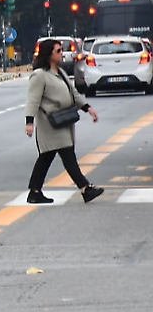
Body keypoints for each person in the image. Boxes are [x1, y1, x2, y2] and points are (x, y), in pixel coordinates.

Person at [24, 39, 102, 204]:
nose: (62, 53)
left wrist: (88, 108)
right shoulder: (39, 75)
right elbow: (32, 100)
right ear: (48, 54)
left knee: (46, 156)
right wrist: (29, 122)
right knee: (67, 155)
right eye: (58, 51)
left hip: (64, 120)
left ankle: (34, 191)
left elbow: (73, 93)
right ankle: (85, 188)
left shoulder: (60, 72)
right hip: (50, 123)